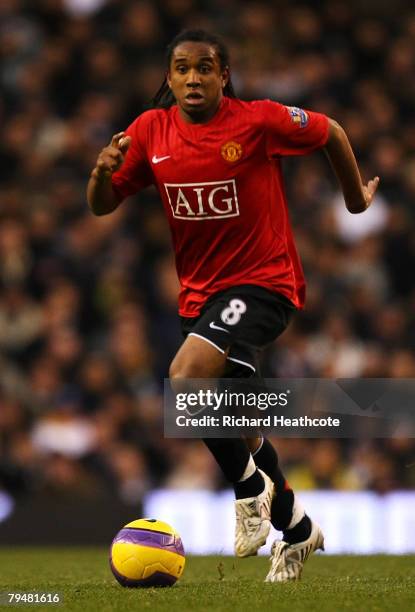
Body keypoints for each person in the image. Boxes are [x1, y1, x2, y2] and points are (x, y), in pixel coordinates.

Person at [87, 29, 379, 582]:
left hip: (265, 285)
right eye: (181, 68)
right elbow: (102, 206)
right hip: (201, 296)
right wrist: (101, 172)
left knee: (183, 377)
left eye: (204, 68)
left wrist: (354, 198)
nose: (192, 78)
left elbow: (331, 131)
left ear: (224, 75)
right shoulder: (150, 131)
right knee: (235, 422)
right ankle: (297, 529)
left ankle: (249, 495)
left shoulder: (257, 121)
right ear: (169, 78)